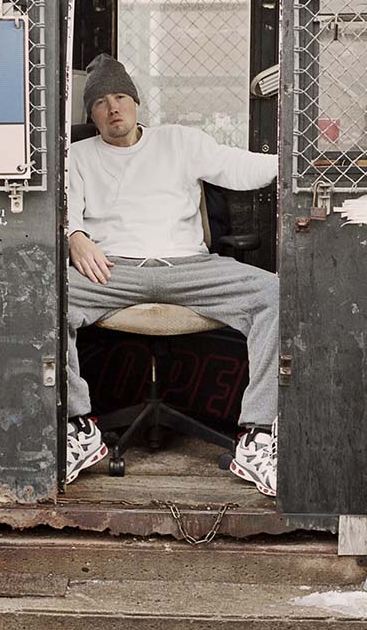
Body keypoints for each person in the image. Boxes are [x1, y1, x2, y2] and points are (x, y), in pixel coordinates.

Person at [66, 53, 280, 496]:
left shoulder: (179, 142)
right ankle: (77, 426)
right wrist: (74, 235)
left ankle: (258, 436)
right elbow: (64, 205)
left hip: (189, 268)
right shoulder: (78, 155)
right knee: (46, 300)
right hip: (114, 271)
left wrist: (296, 161)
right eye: (101, 102)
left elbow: (240, 168)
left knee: (274, 294)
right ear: (91, 113)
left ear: (137, 103)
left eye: (121, 97)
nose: (113, 109)